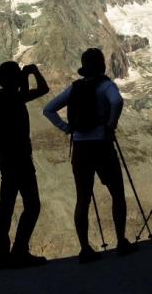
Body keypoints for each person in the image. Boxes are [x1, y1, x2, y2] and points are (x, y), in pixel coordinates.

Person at [43, 48, 137, 262]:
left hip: (80, 148)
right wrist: (110, 125)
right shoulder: (106, 86)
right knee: (117, 193)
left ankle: (85, 248)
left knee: (83, 198)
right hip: (102, 145)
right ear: (102, 65)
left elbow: (48, 109)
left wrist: (66, 128)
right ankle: (121, 241)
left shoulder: (75, 88)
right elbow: (117, 101)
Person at [0, 61, 49, 270]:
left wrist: (23, 77)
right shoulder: (15, 98)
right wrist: (33, 71)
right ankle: (19, 251)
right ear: (14, 79)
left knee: (5, 207)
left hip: (7, 161)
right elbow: (43, 89)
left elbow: (21, 92)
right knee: (32, 205)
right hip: (22, 160)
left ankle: (2, 255)